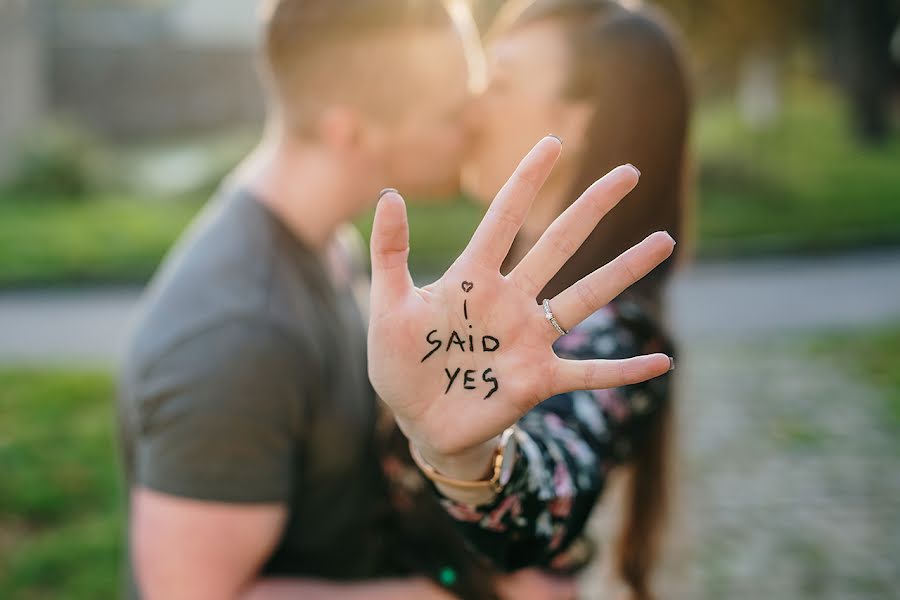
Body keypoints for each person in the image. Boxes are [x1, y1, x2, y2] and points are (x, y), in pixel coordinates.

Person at [118, 2, 676, 600]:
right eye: (454, 105)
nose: (473, 118)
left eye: (495, 85)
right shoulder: (238, 329)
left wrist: (469, 469)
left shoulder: (334, 247)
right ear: (351, 129)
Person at [403, 1, 691, 598]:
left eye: (499, 84)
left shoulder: (613, 339)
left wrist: (471, 463)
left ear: (580, 119)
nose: (469, 104)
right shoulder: (497, 283)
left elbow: (550, 491)